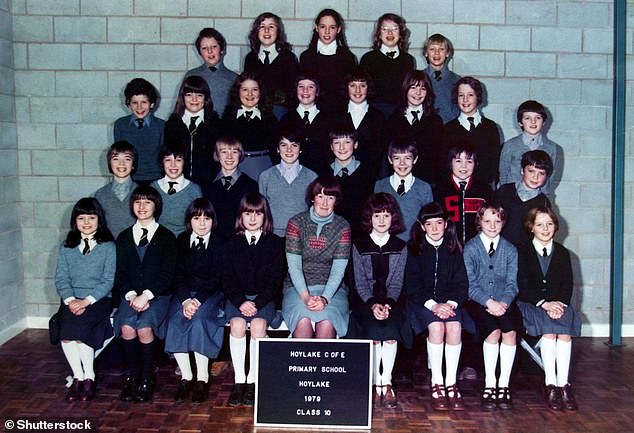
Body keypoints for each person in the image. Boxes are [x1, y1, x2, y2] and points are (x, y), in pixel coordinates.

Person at [114, 185, 177, 403]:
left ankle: (148, 378)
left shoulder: (167, 237)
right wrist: (131, 295)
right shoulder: (123, 237)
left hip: (157, 296)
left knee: (144, 327)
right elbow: (120, 273)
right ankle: (133, 376)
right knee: (127, 327)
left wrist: (147, 295)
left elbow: (167, 274)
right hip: (129, 296)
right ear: (132, 206)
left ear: (156, 206)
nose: (142, 206)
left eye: (147, 202)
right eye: (138, 202)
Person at [347, 193, 409, 409]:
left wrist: (387, 305)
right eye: (377, 215)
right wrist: (373, 304)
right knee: (373, 331)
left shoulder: (401, 246)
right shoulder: (359, 245)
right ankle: (374, 382)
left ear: (393, 218)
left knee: (391, 329)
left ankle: (387, 382)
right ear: (369, 218)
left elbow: (397, 283)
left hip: (392, 301)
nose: (381, 221)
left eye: (386, 215)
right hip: (365, 301)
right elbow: (360, 283)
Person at [224, 192, 285, 407]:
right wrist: (241, 301)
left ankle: (253, 382)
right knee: (238, 325)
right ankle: (239, 380)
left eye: (258, 213)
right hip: (238, 298)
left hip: (263, 298)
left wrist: (257, 303)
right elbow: (227, 277)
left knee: (258, 326)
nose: (252, 218)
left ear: (265, 217)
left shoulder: (275, 243)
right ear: (240, 216)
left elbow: (275, 279)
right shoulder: (232, 243)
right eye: (247, 213)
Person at [405, 202, 468, 411]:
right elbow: (412, 286)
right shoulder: (414, 249)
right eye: (429, 224)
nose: (434, 228)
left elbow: (461, 284)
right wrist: (434, 306)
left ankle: (451, 382)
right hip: (422, 303)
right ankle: (437, 382)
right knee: (436, 327)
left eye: (439, 223)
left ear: (446, 224)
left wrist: (449, 304)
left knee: (454, 327)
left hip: (449, 302)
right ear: (422, 226)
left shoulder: (454, 248)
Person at [517, 207, 580, 411]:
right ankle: (550, 383)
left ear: (555, 227)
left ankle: (564, 385)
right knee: (550, 332)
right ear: (531, 227)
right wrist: (544, 303)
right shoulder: (522, 251)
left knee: (564, 334)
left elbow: (567, 285)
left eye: (549, 224)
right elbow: (523, 285)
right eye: (540, 224)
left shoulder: (562, 253)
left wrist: (559, 304)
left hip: (558, 305)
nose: (545, 228)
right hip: (532, 304)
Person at [164, 198, 225, 404]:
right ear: (189, 220)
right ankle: (186, 377)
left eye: (206, 218)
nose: (201, 223)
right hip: (183, 295)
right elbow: (177, 274)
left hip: (210, 293)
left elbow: (217, 276)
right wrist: (185, 300)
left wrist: (197, 300)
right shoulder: (181, 241)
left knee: (199, 320)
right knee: (175, 320)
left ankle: (202, 378)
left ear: (213, 221)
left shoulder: (219, 242)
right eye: (196, 218)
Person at [55, 197, 116, 402]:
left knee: (81, 332)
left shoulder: (108, 247)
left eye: (91, 217)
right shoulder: (66, 246)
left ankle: (89, 376)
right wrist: (71, 299)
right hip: (71, 299)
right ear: (75, 221)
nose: (87, 223)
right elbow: (61, 278)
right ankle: (78, 377)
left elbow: (108, 280)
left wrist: (86, 301)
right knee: (66, 333)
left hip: (98, 299)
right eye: (82, 218)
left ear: (99, 220)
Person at [463, 204, 521, 411]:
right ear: (479, 222)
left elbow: (512, 284)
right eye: (487, 221)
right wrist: (489, 303)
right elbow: (469, 285)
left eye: (497, 221)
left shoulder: (510, 249)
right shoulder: (470, 248)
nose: (492, 225)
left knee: (510, 331)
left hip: (504, 301)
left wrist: (503, 303)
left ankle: (503, 385)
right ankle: (489, 384)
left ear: (503, 223)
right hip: (479, 301)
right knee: (493, 331)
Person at [282, 175, 351, 339]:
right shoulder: (296, 223)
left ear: (336, 200)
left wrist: (325, 299)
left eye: (330, 197)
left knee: (327, 322)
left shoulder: (343, 226)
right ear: (312, 198)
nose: (325, 203)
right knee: (302, 321)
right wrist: (306, 297)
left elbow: (338, 271)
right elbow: (294, 267)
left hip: (333, 290)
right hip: (297, 289)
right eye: (320, 196)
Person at [383, 69, 444, 185]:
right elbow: (387, 157)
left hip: (427, 182)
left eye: (423, 89)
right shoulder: (392, 121)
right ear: (405, 90)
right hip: (399, 181)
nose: (418, 93)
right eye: (413, 88)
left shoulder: (435, 121)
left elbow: (438, 157)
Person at [258, 124, 318, 237]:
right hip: (272, 234)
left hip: (301, 235)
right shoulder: (265, 176)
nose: (289, 150)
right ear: (277, 148)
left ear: (300, 149)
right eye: (284, 145)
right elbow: (261, 210)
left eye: (294, 145)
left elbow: (314, 210)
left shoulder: (312, 177)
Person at [444, 76, 501, 188]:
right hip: (455, 188)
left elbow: (494, 163)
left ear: (477, 97)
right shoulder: (448, 129)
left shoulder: (490, 127)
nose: (465, 100)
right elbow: (444, 165)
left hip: (483, 189)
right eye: (461, 95)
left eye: (470, 95)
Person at [164, 75, 222, 186]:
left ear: (205, 99)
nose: (194, 100)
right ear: (182, 98)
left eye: (199, 95)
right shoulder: (172, 124)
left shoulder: (215, 123)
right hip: (180, 182)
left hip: (209, 183)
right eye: (189, 95)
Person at [434, 140, 492, 246]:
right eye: (458, 161)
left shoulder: (484, 190)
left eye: (469, 161)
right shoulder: (440, 190)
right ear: (450, 163)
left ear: (476, 164)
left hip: (477, 247)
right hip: (449, 246)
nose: (464, 166)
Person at [374, 137, 433, 241]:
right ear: (390, 159)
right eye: (397, 158)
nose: (402, 163)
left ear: (415, 159)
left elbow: (429, 221)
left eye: (407, 158)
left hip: (415, 247)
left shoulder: (424, 188)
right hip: (388, 246)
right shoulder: (380, 186)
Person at [222, 72, 278, 180]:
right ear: (238, 92)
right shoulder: (228, 118)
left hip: (263, 168)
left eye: (254, 89)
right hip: (235, 167)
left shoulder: (270, 119)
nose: (250, 94)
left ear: (261, 92)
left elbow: (275, 152)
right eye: (245, 90)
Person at [299, 8, 357, 113]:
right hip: (312, 112)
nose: (327, 32)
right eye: (322, 27)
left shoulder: (348, 58)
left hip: (339, 112)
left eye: (332, 27)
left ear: (338, 29)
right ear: (316, 28)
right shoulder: (306, 57)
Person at [359, 13, 415, 118]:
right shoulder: (368, 59)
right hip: (374, 113)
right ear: (379, 34)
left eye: (394, 28)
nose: (390, 33)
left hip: (400, 113)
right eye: (385, 29)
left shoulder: (408, 60)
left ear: (401, 33)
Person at [202, 136, 258, 240]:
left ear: (240, 155)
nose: (229, 157)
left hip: (241, 244)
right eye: (224, 152)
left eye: (234, 152)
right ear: (217, 155)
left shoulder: (251, 186)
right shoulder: (208, 187)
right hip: (215, 244)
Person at [279, 71, 335, 175]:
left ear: (317, 92)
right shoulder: (286, 119)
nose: (305, 90)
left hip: (322, 175)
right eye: (301, 87)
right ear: (295, 90)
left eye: (310, 87)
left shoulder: (329, 120)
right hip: (293, 174)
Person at [243, 12, 299, 117]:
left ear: (278, 31)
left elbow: (293, 92)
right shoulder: (250, 59)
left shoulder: (288, 58)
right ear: (256, 31)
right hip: (256, 112)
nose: (267, 31)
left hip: (281, 113)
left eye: (271, 27)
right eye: (262, 27)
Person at [499, 100, 558, 195]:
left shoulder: (551, 148)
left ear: (543, 122)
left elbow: (551, 175)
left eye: (538, 118)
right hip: (513, 196)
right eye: (527, 118)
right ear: (520, 122)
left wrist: (544, 195)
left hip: (538, 197)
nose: (533, 122)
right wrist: (505, 194)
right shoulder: (510, 145)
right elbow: (503, 172)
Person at [494, 150, 553, 247]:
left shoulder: (544, 203)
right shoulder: (505, 191)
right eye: (531, 171)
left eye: (541, 173)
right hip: (501, 248)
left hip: (527, 252)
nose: (535, 177)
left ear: (546, 177)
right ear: (522, 170)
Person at [113, 78, 165, 184]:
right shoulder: (120, 125)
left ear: (152, 104)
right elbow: (119, 156)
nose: (139, 107)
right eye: (135, 103)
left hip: (156, 179)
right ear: (128, 104)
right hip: (129, 179)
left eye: (144, 102)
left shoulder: (162, 125)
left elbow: (164, 156)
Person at [327, 124, 374, 239]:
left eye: (347, 142)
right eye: (337, 142)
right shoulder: (324, 174)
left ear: (356, 144)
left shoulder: (369, 174)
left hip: (362, 235)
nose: (342, 147)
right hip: (331, 236)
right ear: (331, 146)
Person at [340, 67, 386, 178]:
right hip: (341, 174)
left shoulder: (378, 117)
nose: (357, 90)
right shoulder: (337, 115)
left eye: (362, 85)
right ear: (346, 88)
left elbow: (380, 152)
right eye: (353, 85)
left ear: (368, 88)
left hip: (369, 175)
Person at [150, 143, 203, 236]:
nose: (173, 165)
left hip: (184, 243)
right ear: (162, 162)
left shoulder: (195, 190)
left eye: (178, 160)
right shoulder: (153, 188)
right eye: (168, 160)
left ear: (184, 162)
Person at [184, 27, 237, 117]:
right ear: (200, 52)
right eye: (204, 48)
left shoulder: (234, 78)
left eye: (214, 46)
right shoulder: (191, 75)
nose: (210, 51)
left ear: (222, 49)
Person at [94, 141, 139, 238]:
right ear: (109, 163)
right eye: (116, 159)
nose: (121, 163)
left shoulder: (142, 193)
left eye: (127, 159)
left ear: (133, 164)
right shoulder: (100, 195)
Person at [422, 34, 460, 124]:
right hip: (425, 128)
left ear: (447, 53)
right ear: (426, 53)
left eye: (441, 49)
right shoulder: (418, 78)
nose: (437, 53)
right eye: (432, 49)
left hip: (449, 128)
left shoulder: (456, 80)